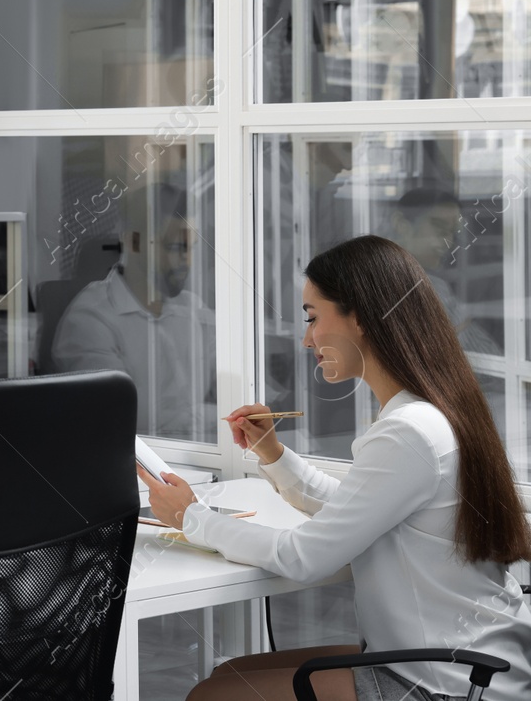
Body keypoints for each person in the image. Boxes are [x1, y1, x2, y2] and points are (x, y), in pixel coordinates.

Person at [142, 235, 531, 701]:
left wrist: (191, 517)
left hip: (444, 680)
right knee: (229, 675)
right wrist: (273, 454)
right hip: (457, 661)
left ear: (361, 318)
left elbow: (304, 557)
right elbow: (358, 511)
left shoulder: (409, 430)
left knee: (212, 696)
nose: (306, 339)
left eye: (312, 318)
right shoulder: (430, 412)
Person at [53, 181, 217, 440]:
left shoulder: (191, 307)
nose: (187, 260)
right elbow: (123, 417)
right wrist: (218, 416)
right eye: (175, 247)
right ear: (134, 242)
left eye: (191, 247)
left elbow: (229, 376)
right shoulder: (90, 320)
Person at [389, 186, 498, 355]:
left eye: (452, 233)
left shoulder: (432, 283)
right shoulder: (422, 285)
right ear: (401, 224)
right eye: (440, 229)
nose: (448, 241)